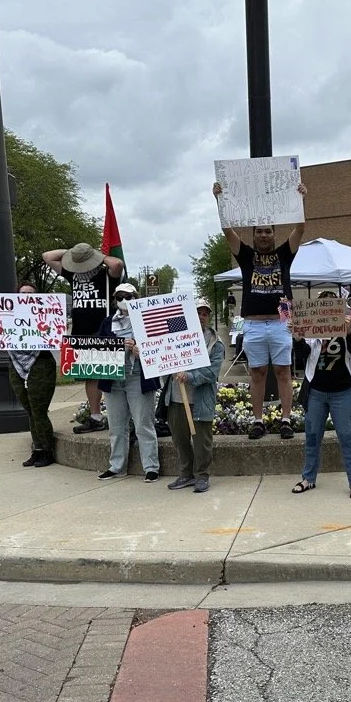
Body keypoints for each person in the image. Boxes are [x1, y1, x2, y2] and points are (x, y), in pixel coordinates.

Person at [213, 179, 307, 441]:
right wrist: (219, 200)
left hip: (280, 323)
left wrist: (301, 200)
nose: (264, 235)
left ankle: (285, 419)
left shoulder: (284, 254)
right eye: (259, 232)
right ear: (253, 235)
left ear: (274, 233)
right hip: (253, 325)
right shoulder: (245, 256)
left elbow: (300, 228)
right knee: (258, 373)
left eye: (268, 231)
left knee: (283, 372)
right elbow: (227, 230)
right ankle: (258, 420)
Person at [42, 242, 124, 434]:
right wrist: (73, 254)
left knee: (112, 375)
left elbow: (118, 265)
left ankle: (120, 415)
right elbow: (47, 256)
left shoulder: (106, 275)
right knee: (90, 375)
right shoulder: (72, 274)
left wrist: (96, 256)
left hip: (104, 329)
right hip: (81, 331)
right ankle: (96, 416)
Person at [290, 310, 351, 499]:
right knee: (312, 435)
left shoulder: (349, 328)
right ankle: (308, 478)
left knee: (348, 436)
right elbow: (302, 355)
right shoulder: (311, 329)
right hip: (316, 392)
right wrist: (298, 338)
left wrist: (348, 332)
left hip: (344, 391)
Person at [95, 283, 160, 482]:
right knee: (116, 426)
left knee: (143, 424)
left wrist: (143, 351)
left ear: (136, 298)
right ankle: (116, 466)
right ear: (115, 299)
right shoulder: (107, 323)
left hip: (138, 377)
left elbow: (160, 348)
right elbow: (97, 349)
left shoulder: (147, 321)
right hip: (113, 380)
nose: (125, 300)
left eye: (129, 296)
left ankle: (151, 467)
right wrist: (117, 346)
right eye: (121, 296)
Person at [162, 299, 224, 493]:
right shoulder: (174, 336)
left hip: (200, 400)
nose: (201, 316)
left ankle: (202, 476)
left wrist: (189, 376)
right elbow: (160, 355)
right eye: (197, 312)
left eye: (205, 313)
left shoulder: (215, 343)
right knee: (180, 440)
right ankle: (186, 474)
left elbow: (211, 372)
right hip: (176, 399)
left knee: (202, 442)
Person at [8, 284, 58, 468]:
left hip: (41, 361)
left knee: (38, 410)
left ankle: (47, 450)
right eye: (23, 294)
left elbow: (55, 335)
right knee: (29, 410)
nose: (27, 297)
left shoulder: (47, 315)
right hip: (16, 363)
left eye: (31, 294)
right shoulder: (9, 316)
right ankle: (37, 449)